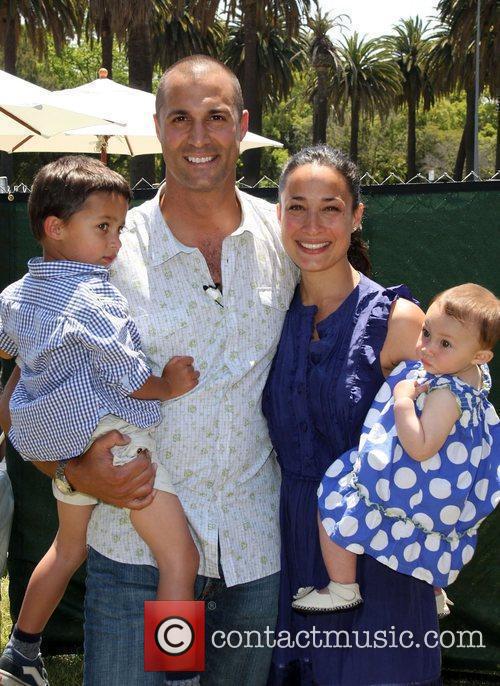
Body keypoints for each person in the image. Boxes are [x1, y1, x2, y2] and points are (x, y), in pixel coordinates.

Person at [0, 57, 297, 686]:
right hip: (132, 553)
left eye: (216, 117)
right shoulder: (102, 247)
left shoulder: (286, 238)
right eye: (180, 118)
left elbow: (354, 304)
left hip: (253, 551)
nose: (199, 137)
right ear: (157, 126)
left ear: (241, 125)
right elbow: (25, 391)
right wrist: (70, 469)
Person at [0, 156, 200, 686]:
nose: (115, 242)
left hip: (61, 446)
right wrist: (170, 384)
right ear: (55, 228)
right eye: (103, 228)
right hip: (113, 443)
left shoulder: (16, 295)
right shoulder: (94, 296)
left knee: (67, 549)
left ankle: (21, 650)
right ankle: (179, 671)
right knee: (180, 558)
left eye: (120, 228)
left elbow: (8, 352)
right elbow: (130, 376)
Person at [262, 145, 443, 685]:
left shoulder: (399, 319)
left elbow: (445, 435)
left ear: (357, 216)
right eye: (297, 206)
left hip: (379, 555)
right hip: (290, 545)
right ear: (278, 214)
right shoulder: (265, 315)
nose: (312, 225)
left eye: (331, 208)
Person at [291, 283, 499, 619]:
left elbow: (419, 447)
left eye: (444, 343)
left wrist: (403, 400)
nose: (427, 348)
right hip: (444, 488)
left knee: (339, 498)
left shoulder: (446, 394)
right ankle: (433, 591)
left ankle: (342, 586)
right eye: (427, 333)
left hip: (413, 483)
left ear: (480, 356)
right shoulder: (469, 374)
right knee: (430, 536)